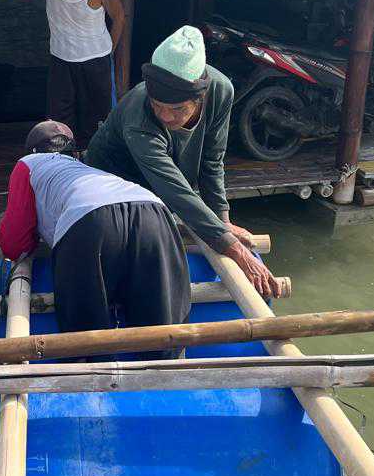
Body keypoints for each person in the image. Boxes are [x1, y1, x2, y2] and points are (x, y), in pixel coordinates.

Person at [85, 25, 281, 297]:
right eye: (158, 106)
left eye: (178, 109)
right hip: (112, 183)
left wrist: (222, 221)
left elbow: (212, 161)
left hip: (164, 180)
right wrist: (234, 249)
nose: (165, 117)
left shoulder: (220, 90)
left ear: (200, 97)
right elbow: (172, 188)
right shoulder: (137, 114)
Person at [0, 121, 190, 356]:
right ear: (74, 152)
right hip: (154, 211)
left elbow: (13, 243)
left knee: (85, 339)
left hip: (89, 220)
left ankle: (92, 384)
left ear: (31, 151)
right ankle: (169, 379)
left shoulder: (27, 164)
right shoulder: (86, 169)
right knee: (161, 330)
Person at [9, 0, 125, 147]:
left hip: (95, 61)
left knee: (96, 121)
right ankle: (61, 165)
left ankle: (94, 167)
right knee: (58, 123)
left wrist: (110, 51)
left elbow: (119, 17)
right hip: (61, 59)